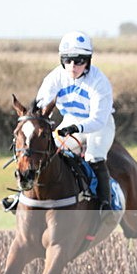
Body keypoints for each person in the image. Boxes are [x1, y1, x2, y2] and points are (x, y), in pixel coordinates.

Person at [33, 30, 115, 214]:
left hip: (99, 125)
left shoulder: (99, 82)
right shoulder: (54, 78)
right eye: (67, 60)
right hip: (70, 120)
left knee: (94, 156)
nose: (72, 66)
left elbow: (98, 119)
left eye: (79, 61)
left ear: (88, 61)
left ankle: (104, 203)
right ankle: (25, 196)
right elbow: (41, 106)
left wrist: (76, 127)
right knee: (46, 151)